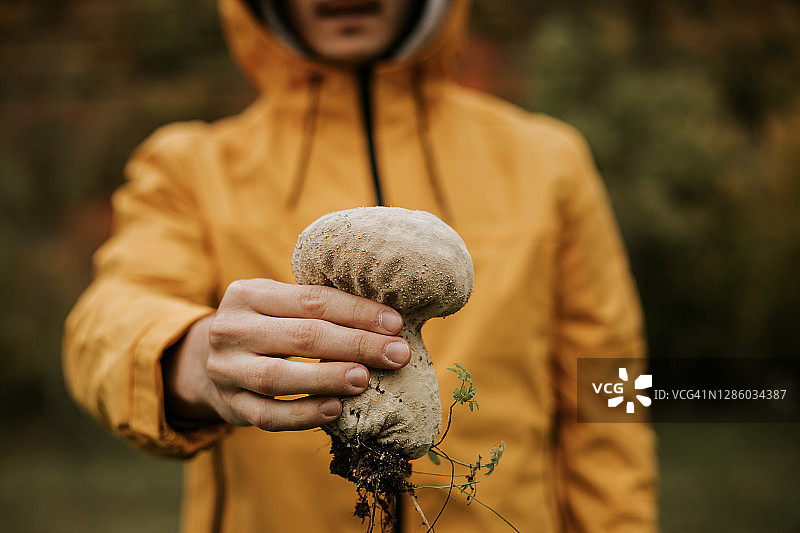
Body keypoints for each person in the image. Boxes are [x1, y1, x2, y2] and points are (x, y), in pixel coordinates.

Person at [63, 0, 658, 531]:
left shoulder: (548, 162)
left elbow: (608, 383)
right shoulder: (191, 167)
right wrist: (188, 355)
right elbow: (107, 318)